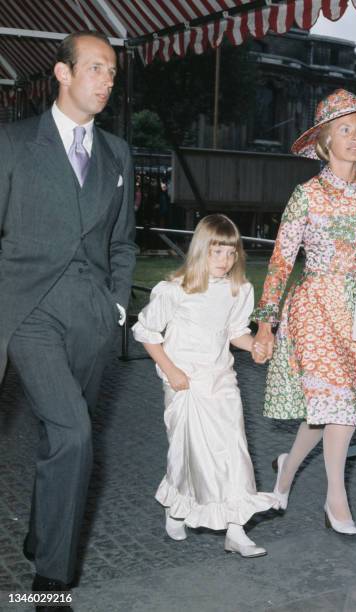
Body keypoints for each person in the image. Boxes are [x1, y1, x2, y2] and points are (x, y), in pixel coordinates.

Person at [0, 31, 137, 608]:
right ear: (62, 73)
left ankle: (41, 533)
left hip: (92, 316)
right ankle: (53, 582)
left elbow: (124, 243)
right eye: (96, 69)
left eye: (111, 73)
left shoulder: (117, 155)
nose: (107, 81)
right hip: (28, 308)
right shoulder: (11, 143)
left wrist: (117, 307)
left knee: (63, 439)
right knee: (75, 431)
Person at [252, 89, 356, 535]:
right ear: (325, 140)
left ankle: (286, 469)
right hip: (313, 306)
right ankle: (336, 497)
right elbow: (281, 260)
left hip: (355, 313)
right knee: (338, 404)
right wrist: (266, 324)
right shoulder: (306, 195)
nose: (355, 137)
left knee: (326, 409)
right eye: (345, 130)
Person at [132, 214, 279, 558]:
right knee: (190, 453)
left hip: (221, 380)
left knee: (233, 450)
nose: (225, 261)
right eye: (217, 253)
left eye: (231, 253)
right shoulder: (174, 291)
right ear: (200, 251)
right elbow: (146, 334)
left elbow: (234, 332)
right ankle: (176, 505)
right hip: (185, 383)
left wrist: (254, 345)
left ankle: (236, 530)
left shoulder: (238, 289)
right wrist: (172, 371)